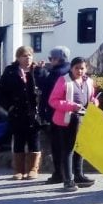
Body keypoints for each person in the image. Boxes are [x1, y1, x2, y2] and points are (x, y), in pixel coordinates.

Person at [48, 57, 99, 192]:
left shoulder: (88, 81)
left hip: (83, 119)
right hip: (67, 120)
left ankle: (79, 176)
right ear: (71, 68)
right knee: (68, 149)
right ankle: (68, 180)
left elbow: (92, 97)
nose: (80, 71)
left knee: (80, 148)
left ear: (86, 69)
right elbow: (53, 100)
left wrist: (95, 102)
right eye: (77, 68)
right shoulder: (63, 80)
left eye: (82, 68)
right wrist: (71, 106)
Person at [0, 46, 42, 180]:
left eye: (29, 55)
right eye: (24, 55)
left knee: (34, 141)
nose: (27, 58)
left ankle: (33, 169)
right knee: (18, 141)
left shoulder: (37, 71)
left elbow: (47, 88)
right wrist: (9, 107)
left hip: (34, 113)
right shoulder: (10, 71)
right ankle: (19, 170)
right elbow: (0, 93)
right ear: (18, 58)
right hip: (17, 112)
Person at [36, 46, 72, 184]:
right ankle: (67, 173)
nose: (50, 61)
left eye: (52, 58)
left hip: (56, 113)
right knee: (65, 145)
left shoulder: (58, 72)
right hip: (66, 113)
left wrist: (39, 71)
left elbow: (44, 86)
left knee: (58, 145)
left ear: (60, 58)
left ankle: (59, 174)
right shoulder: (67, 70)